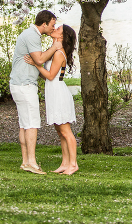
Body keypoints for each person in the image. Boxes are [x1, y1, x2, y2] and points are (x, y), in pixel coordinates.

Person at [9, 10, 61, 175]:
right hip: (24, 85)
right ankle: (31, 162)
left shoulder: (31, 35)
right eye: (52, 25)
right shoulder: (32, 35)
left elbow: (37, 60)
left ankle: (25, 161)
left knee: (25, 124)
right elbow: (39, 59)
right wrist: (55, 47)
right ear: (44, 23)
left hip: (19, 84)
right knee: (31, 124)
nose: (53, 28)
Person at [25, 24, 79, 175]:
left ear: (62, 37)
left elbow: (50, 76)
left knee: (66, 131)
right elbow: (47, 75)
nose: (54, 29)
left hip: (59, 94)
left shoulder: (59, 53)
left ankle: (73, 164)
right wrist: (38, 67)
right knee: (60, 131)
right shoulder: (56, 50)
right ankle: (65, 163)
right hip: (53, 92)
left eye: (58, 29)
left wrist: (36, 64)